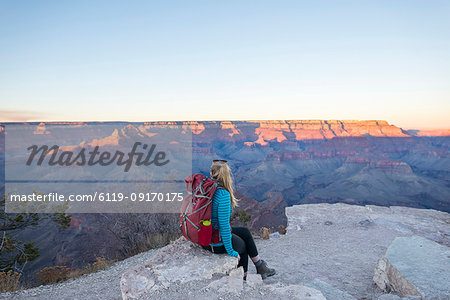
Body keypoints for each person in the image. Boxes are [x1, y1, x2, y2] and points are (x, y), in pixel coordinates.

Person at [201, 159, 276, 280]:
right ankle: (242, 278)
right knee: (242, 247)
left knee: (245, 232)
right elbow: (224, 226)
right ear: (226, 175)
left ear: (211, 173)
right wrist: (232, 251)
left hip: (206, 235)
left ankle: (260, 266)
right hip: (213, 240)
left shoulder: (207, 189)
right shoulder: (222, 195)